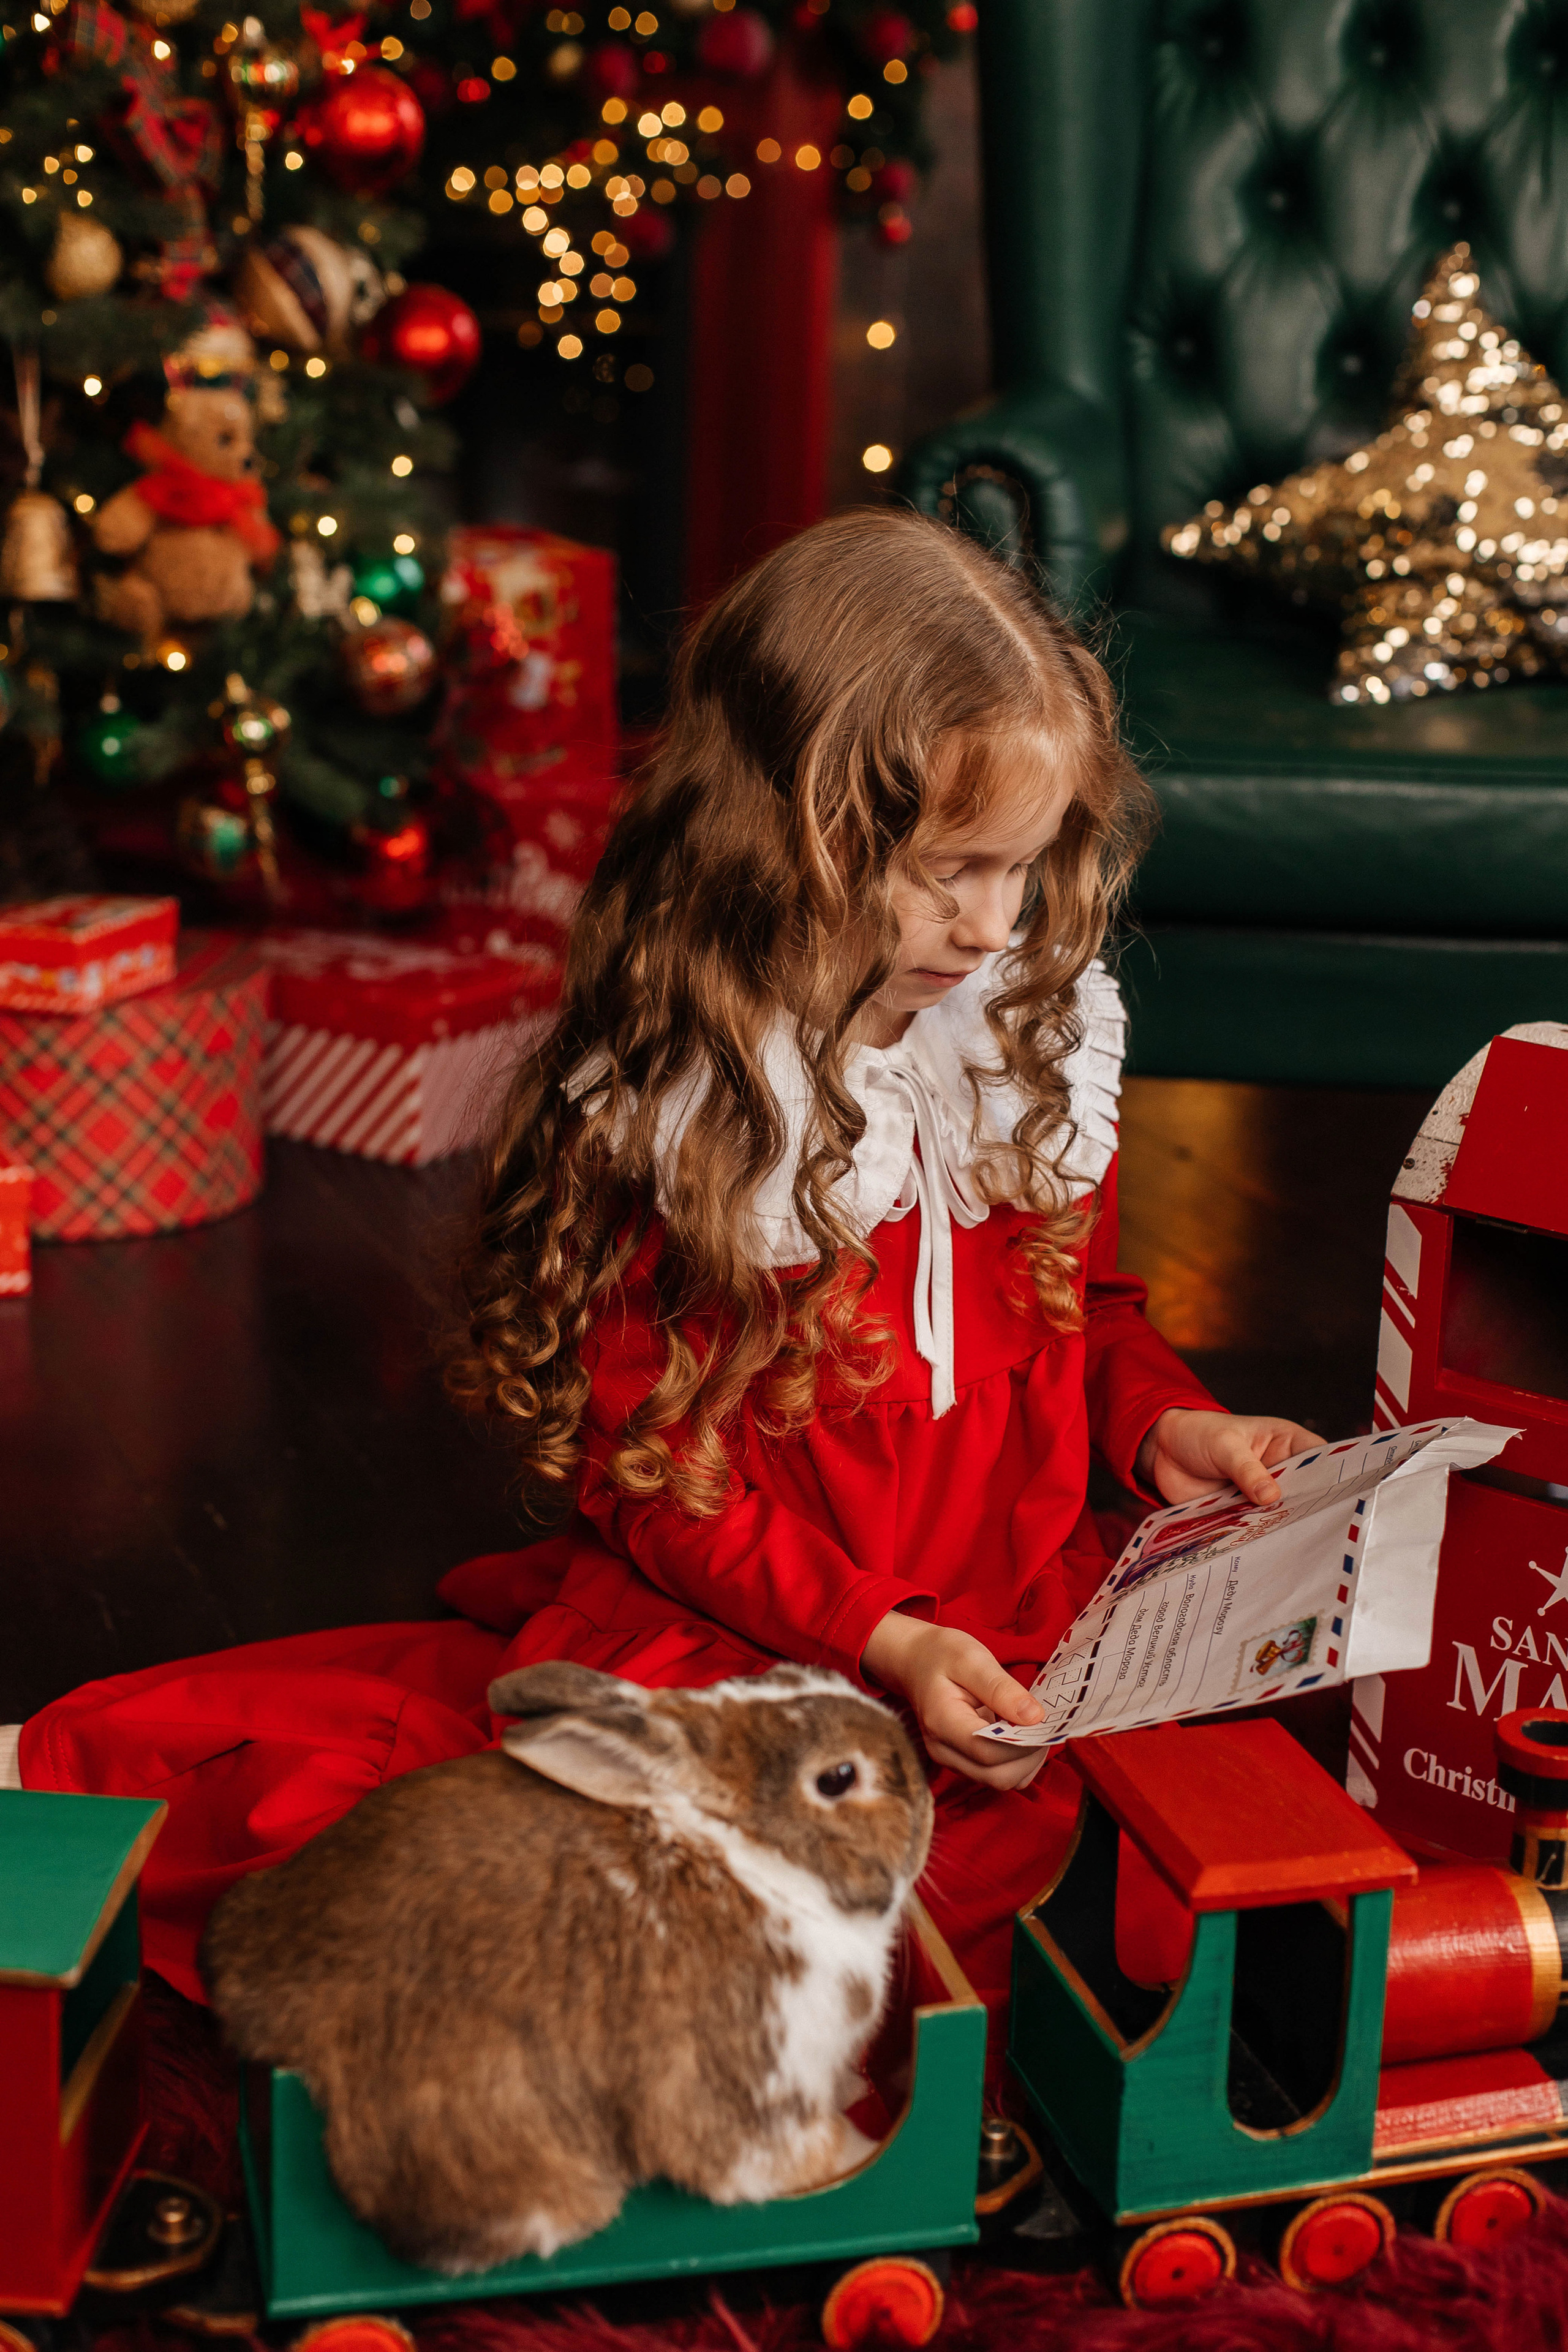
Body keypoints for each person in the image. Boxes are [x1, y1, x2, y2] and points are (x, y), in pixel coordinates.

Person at [14, 511, 1315, 2057]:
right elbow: (658, 1485)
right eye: (945, 874)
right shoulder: (686, 1116)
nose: (991, 927)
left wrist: (1166, 1426)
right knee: (617, 1944)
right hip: (772, 1641)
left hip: (1005, 1624)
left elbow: (1073, 1316)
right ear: (789, 840)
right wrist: (881, 1638)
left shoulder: (1017, 1042)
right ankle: (98, 1792)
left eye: (1022, 873)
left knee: (1082, 1882)